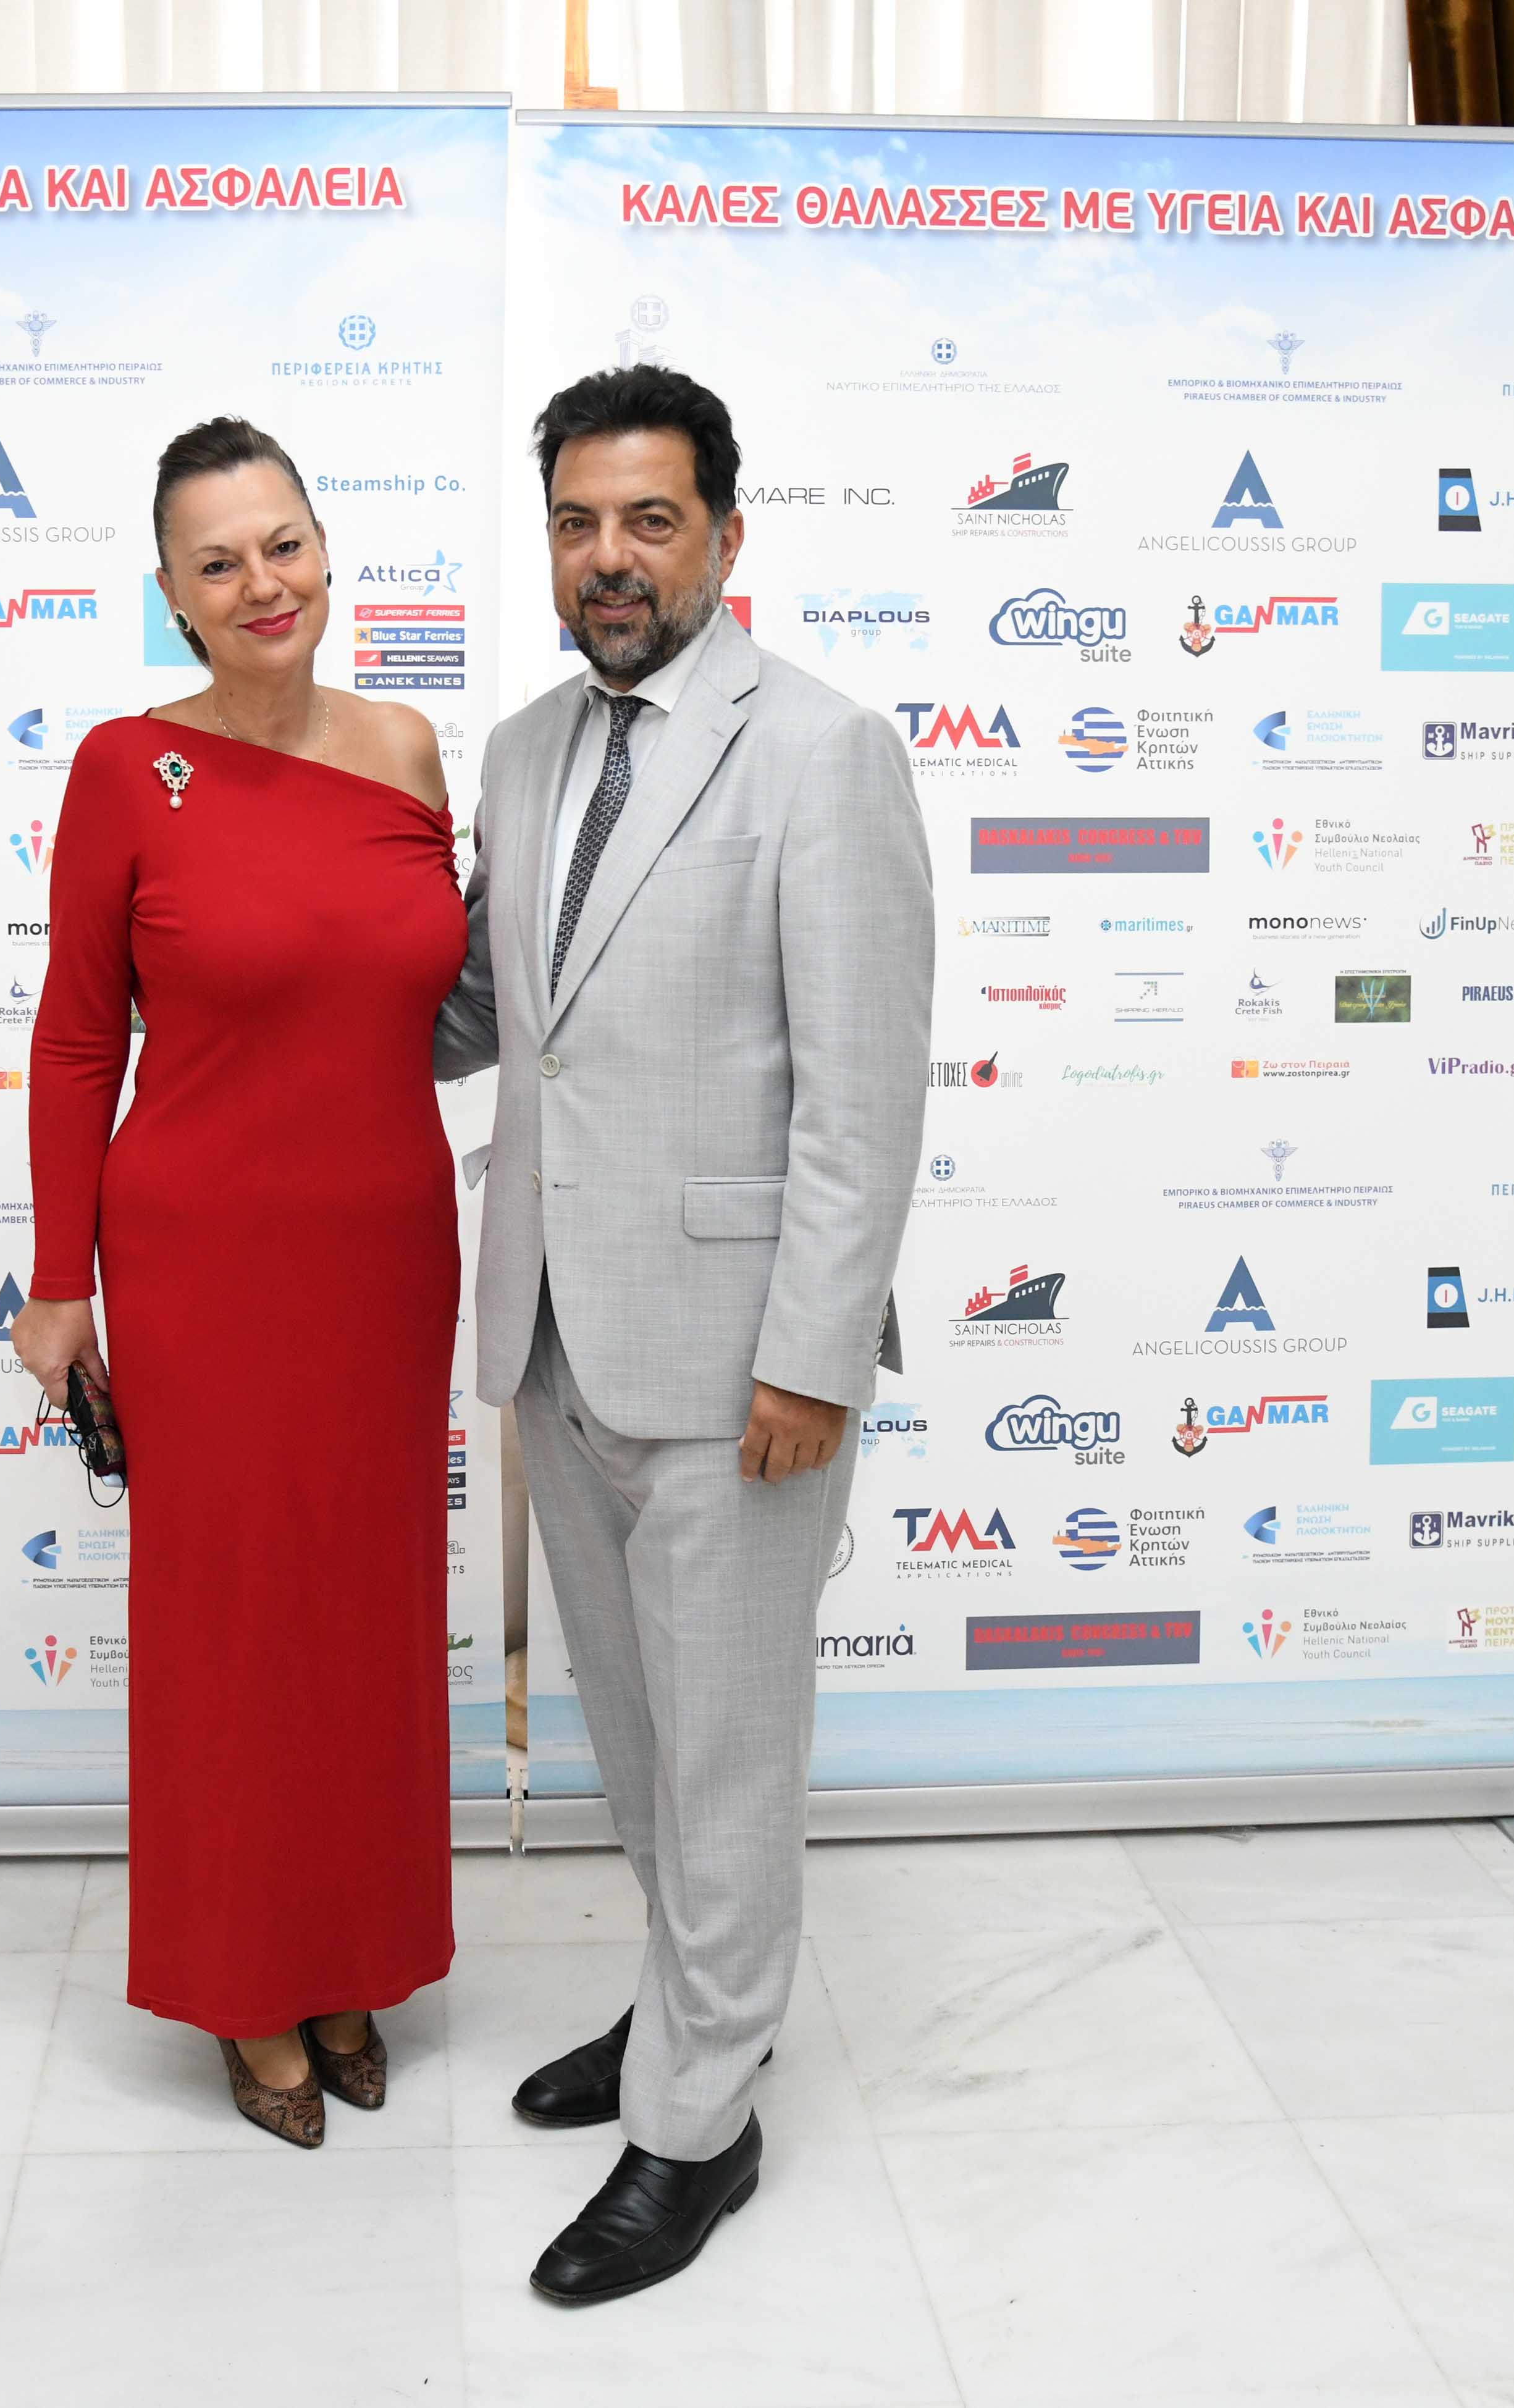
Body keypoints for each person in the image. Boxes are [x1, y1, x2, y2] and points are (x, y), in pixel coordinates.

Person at [437, 366, 932, 2301]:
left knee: (723, 1757)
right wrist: (255, 951)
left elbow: (860, 1094)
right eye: (577, 522)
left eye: (648, 520)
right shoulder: (519, 751)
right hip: (557, 1333)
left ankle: (697, 2125)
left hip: (741, 1363)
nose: (609, 557)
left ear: (725, 532)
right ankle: (686, 2014)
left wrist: (813, 1351)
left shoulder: (821, 750)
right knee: (640, 1745)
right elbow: (492, 1013)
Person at [14, 417, 461, 2150]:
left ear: (326, 550)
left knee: (360, 1620)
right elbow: (78, 1036)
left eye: (284, 544)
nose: (263, 583)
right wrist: (60, 1283)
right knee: (233, 1632)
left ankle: (348, 1954)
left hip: (386, 1251)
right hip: (203, 1258)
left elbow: (432, 993)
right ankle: (244, 1981)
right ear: (172, 595)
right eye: (219, 562)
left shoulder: (408, 750)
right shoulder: (128, 768)